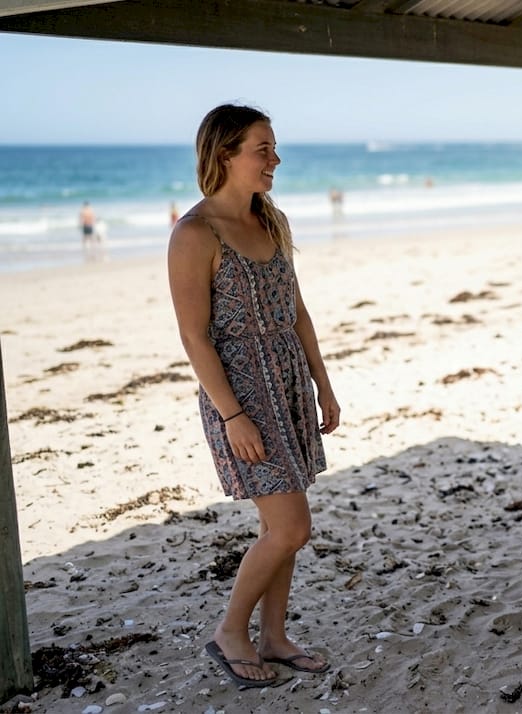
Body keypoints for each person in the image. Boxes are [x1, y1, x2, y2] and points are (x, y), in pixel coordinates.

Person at [167, 104, 340, 688]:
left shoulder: (270, 220)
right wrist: (232, 414)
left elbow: (297, 309)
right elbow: (193, 335)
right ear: (224, 154)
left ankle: (275, 636)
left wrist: (323, 383)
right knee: (290, 527)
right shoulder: (194, 233)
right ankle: (231, 632)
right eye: (262, 149)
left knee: (281, 526)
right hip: (241, 393)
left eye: (273, 147)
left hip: (287, 382)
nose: (275, 159)